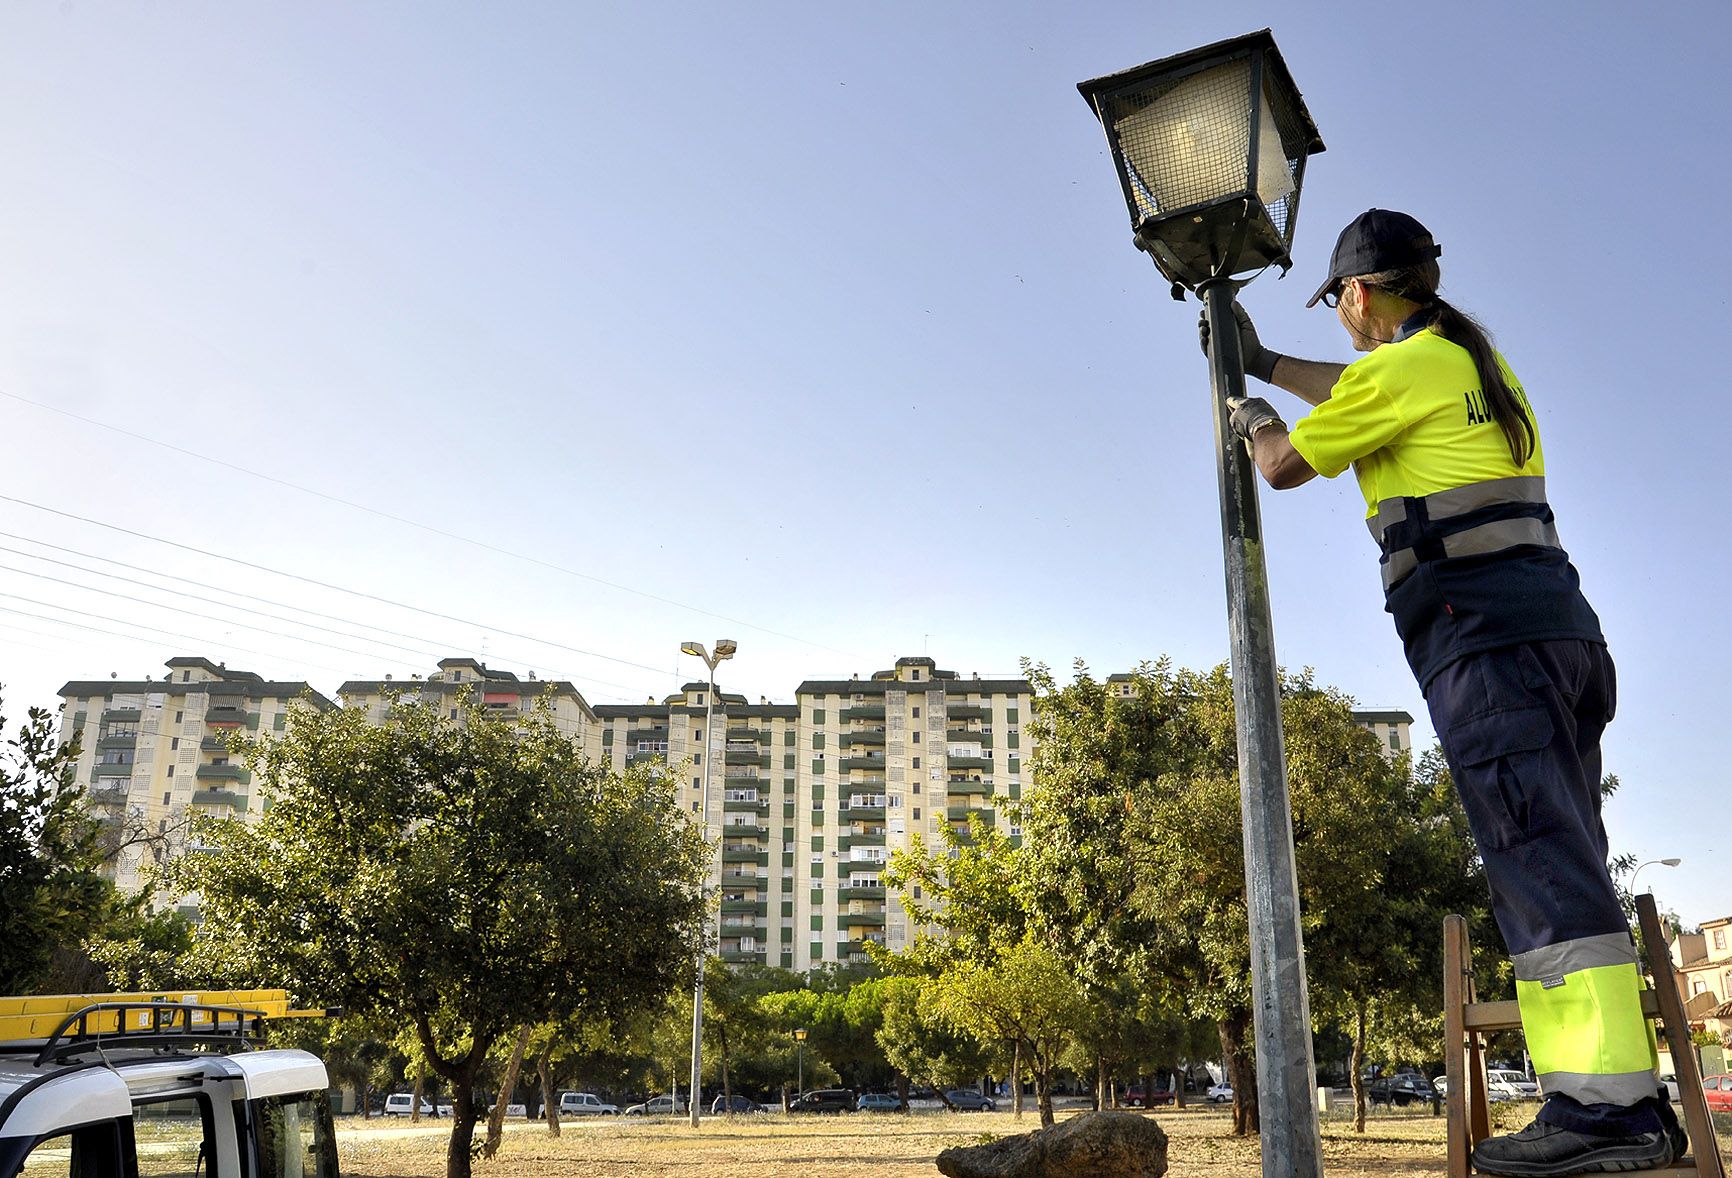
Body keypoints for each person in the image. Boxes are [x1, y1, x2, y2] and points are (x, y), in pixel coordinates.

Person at [1210, 209, 1681, 1177]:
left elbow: (1287, 463)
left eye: (1338, 304)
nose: (1340, 323)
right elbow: (1355, 383)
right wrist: (1267, 361)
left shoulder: (1401, 368)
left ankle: (1611, 1114)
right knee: (1560, 853)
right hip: (1554, 631)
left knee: (1536, 860)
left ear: (1357, 292)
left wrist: (1249, 411)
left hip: (1484, 639)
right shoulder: (1465, 361)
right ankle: (1613, 1102)